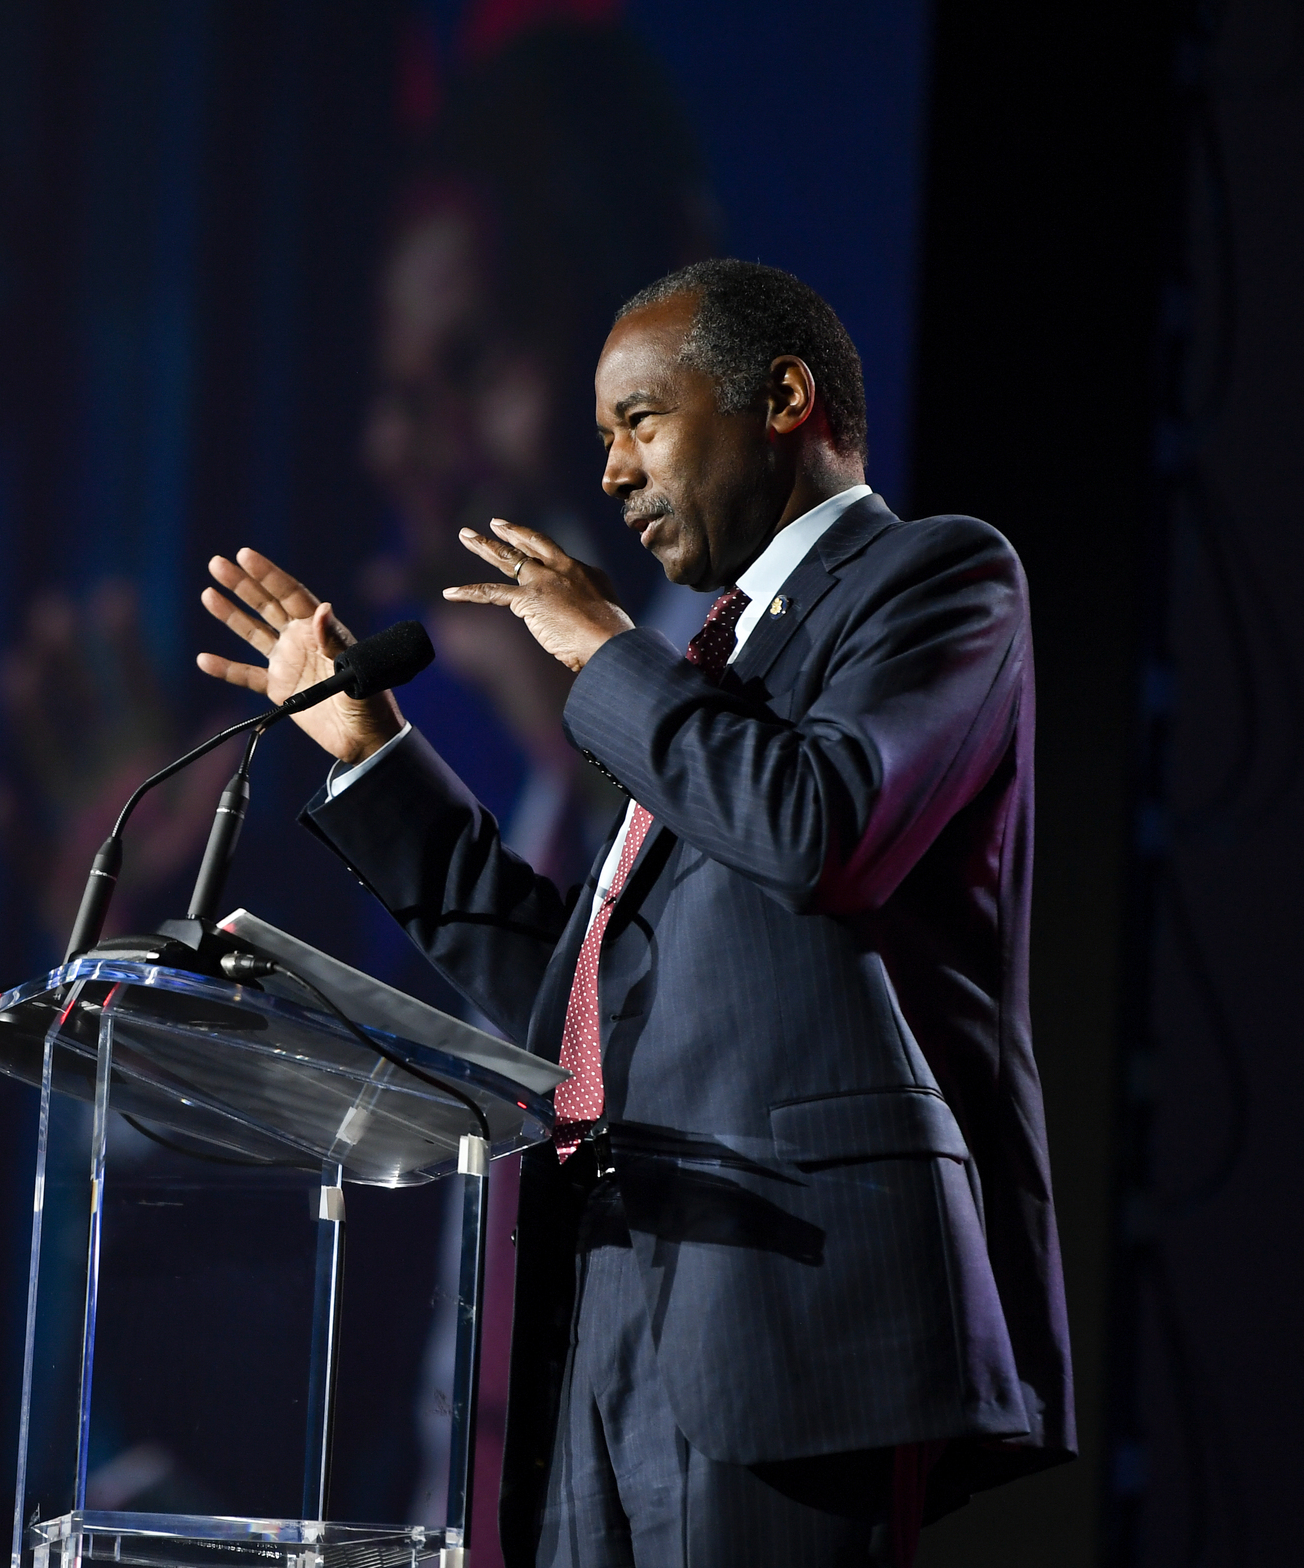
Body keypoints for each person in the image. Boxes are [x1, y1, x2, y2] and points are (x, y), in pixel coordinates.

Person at [195, 259, 1074, 1567]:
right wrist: (372, 755)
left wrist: (605, 650)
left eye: (640, 423)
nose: (609, 473)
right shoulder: (709, 669)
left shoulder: (935, 577)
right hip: (605, 1286)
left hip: (793, 1300)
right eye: (604, 436)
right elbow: (570, 1004)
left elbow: (817, 825)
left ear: (783, 397)